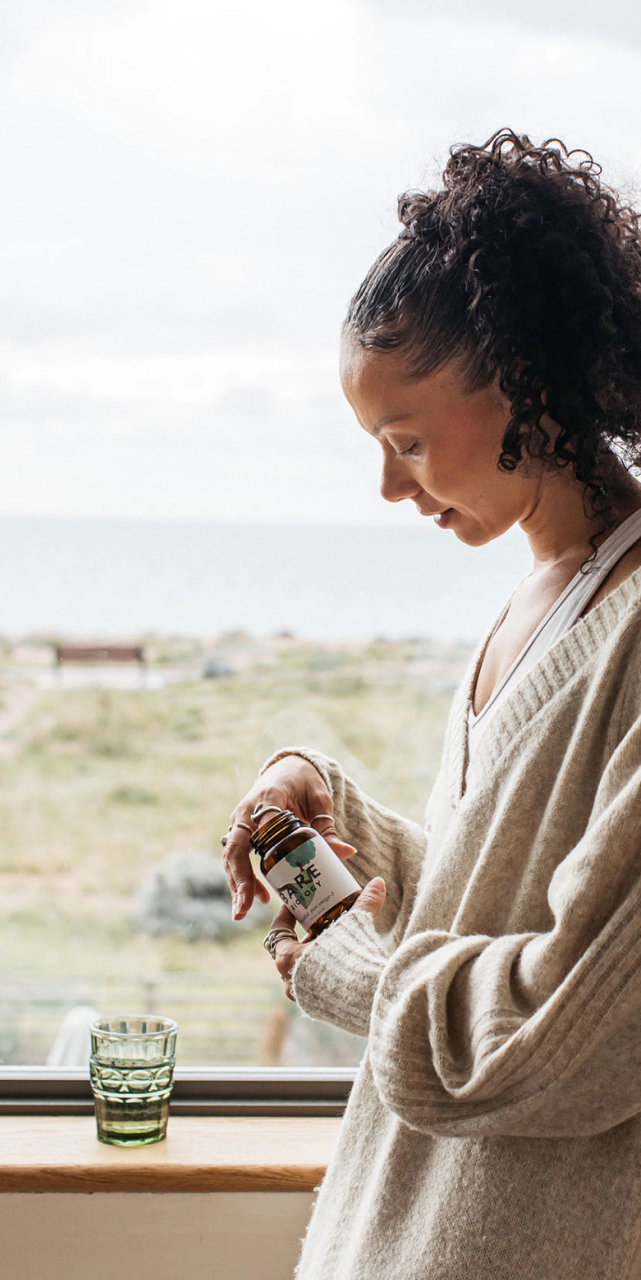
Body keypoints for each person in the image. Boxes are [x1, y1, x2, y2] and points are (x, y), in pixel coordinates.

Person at [223, 129, 641, 1279]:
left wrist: (343, 964)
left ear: (526, 377)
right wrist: (331, 798)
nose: (388, 485)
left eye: (405, 439)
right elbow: (493, 894)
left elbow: (568, 1034)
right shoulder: (543, 598)